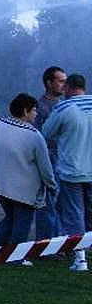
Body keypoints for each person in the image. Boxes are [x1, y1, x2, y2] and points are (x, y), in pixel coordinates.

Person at [0, 93, 56, 264]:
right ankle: (15, 258)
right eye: (34, 110)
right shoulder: (34, 135)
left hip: (1, 184)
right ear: (25, 111)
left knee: (9, 218)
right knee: (22, 224)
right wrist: (52, 185)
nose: (36, 114)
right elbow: (45, 167)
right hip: (26, 190)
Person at [43, 73, 92, 272]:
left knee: (74, 214)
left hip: (72, 170)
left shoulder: (65, 107)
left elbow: (46, 132)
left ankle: (80, 258)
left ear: (70, 88)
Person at [33, 66, 67, 240]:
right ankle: (45, 245)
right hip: (49, 160)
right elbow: (37, 137)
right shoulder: (41, 107)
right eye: (60, 81)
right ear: (49, 83)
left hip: (65, 160)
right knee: (48, 205)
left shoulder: (64, 105)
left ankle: (60, 243)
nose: (64, 85)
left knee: (62, 205)